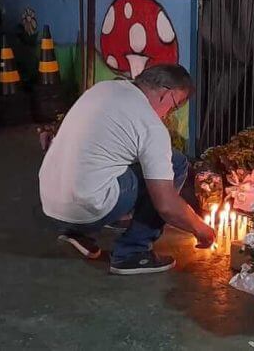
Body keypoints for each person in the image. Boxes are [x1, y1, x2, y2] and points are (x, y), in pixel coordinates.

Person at [39, 64, 216, 275]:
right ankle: (133, 252)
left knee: (110, 162)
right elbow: (166, 205)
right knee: (174, 163)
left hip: (51, 205)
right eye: (175, 105)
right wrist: (201, 229)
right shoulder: (150, 125)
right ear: (168, 94)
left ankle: (75, 232)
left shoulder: (102, 89)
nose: (169, 113)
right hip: (86, 206)